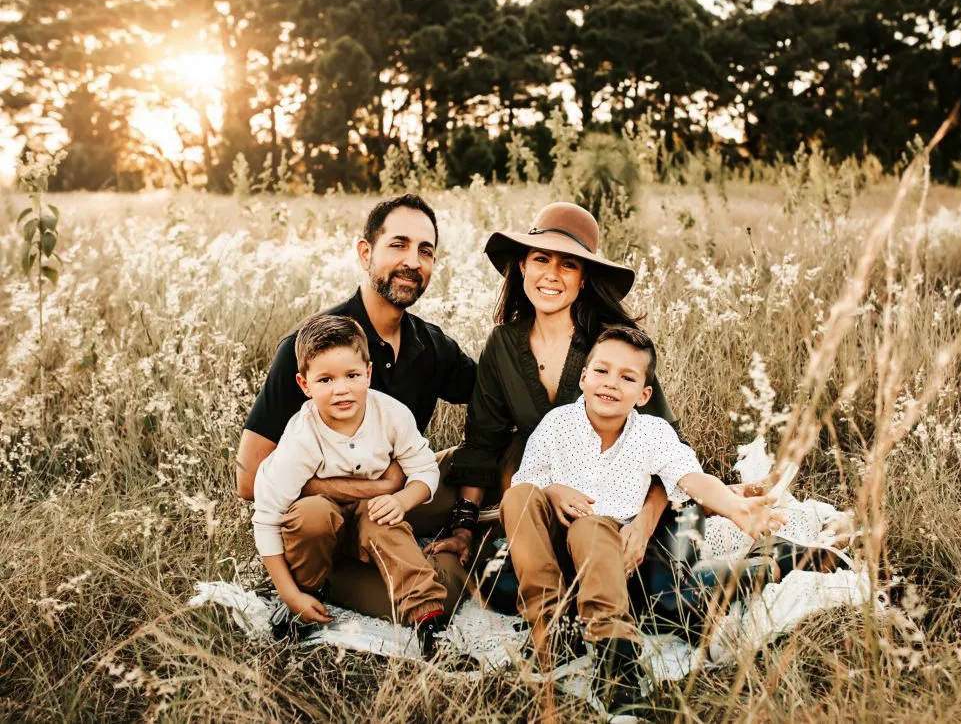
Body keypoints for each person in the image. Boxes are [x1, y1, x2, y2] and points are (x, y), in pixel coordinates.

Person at [501, 326, 784, 710]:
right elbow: (526, 484)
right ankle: (551, 630)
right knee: (519, 498)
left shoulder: (652, 432)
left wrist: (734, 509)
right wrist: (552, 491)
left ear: (644, 394)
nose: (611, 384)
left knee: (597, 531)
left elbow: (689, 477)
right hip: (556, 544)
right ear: (583, 377)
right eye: (601, 371)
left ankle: (615, 656)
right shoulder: (556, 425)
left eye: (627, 377)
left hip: (614, 549)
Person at [237, 194, 477, 620]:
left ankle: (446, 550)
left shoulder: (431, 345)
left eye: (426, 251)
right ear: (365, 252)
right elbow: (251, 481)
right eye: (398, 245)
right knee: (442, 588)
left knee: (470, 467)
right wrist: (383, 487)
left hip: (389, 514)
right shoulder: (310, 350)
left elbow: (491, 398)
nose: (413, 261)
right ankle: (326, 582)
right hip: (321, 527)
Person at [425, 202, 682, 597]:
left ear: (584, 279)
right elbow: (482, 445)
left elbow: (668, 448)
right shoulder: (503, 344)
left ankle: (776, 560)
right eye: (541, 258)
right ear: (523, 266)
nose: (552, 274)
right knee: (504, 593)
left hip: (620, 507)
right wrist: (463, 528)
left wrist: (642, 526)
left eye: (569, 264)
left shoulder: (612, 343)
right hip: (543, 504)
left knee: (662, 599)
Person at [253, 315, 449, 656]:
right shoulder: (302, 437)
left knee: (382, 517)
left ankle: (428, 620)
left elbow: (425, 470)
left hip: (368, 517)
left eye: (352, 376)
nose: (341, 389)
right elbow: (267, 517)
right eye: (326, 379)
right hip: (320, 528)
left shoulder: (391, 414)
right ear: (304, 384)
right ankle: (309, 593)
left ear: (369, 374)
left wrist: (402, 499)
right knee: (310, 513)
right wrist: (289, 593)